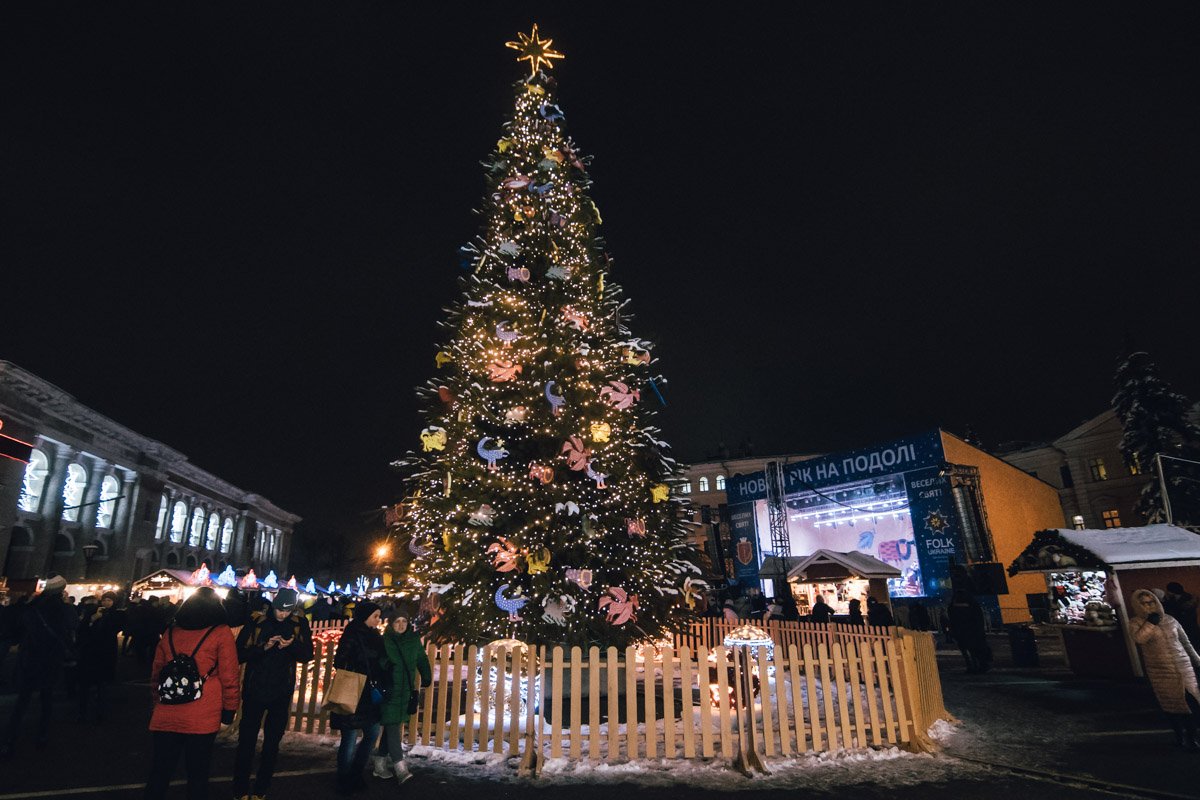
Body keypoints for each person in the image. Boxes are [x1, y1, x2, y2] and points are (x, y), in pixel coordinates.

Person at [144, 586, 240, 800]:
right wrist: (229, 709)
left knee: (160, 772)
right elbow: (229, 675)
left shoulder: (171, 632)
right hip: (203, 713)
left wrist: (157, 699)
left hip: (167, 710)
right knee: (197, 773)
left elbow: (157, 671)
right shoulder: (220, 632)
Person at [232, 587, 313, 800]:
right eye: (279, 610)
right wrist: (263, 648)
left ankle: (261, 790)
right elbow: (238, 653)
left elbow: (307, 655)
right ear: (273, 605)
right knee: (246, 742)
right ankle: (239, 790)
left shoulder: (298, 624)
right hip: (254, 689)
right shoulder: (257, 621)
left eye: (287, 611)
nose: (282, 615)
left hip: (281, 691)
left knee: (271, 744)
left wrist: (291, 645)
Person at [0, 574, 77, 758]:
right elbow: (71, 629)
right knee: (46, 699)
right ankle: (42, 736)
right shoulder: (64, 610)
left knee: (22, 701)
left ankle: (9, 741)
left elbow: (17, 629)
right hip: (50, 659)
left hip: (30, 658)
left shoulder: (32, 607)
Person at [1130, 588, 1200, 749]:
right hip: (1160, 670)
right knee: (1172, 705)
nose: (1149, 606)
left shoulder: (1170, 620)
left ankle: (1193, 737)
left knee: (1191, 702)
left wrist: (1197, 661)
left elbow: (1185, 642)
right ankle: (1179, 736)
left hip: (1183, 666)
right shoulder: (1136, 622)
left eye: (1152, 602)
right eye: (1144, 603)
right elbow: (1139, 639)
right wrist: (1150, 623)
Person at [330, 601, 384, 794]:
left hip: (368, 694)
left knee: (372, 733)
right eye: (375, 616)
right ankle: (344, 779)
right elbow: (340, 660)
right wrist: (362, 663)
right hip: (353, 692)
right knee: (350, 738)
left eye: (379, 616)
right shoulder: (352, 633)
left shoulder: (375, 636)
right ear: (365, 616)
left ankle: (356, 773)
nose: (378, 620)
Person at [373, 608, 431, 784]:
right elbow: (378, 660)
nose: (401, 625)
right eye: (397, 621)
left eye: (404, 621)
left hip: (405, 690)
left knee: (393, 725)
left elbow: (421, 658)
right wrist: (385, 665)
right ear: (391, 623)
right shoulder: (385, 640)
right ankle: (400, 767)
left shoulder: (413, 640)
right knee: (392, 727)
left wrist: (426, 675)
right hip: (390, 690)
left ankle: (379, 764)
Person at [76, 590, 123, 722]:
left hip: (106, 652)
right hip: (91, 651)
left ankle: (99, 713)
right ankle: (82, 711)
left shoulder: (117, 615)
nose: (106, 603)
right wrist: (93, 619)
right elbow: (83, 628)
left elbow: (116, 628)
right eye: (104, 600)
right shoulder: (94, 612)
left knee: (102, 685)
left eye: (109, 600)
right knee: (86, 683)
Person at [946, 590, 991, 673]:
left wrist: (953, 632)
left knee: (966, 650)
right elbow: (978, 619)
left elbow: (952, 620)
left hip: (961, 632)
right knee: (974, 650)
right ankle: (979, 665)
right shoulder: (972, 604)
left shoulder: (953, 606)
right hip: (972, 632)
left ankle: (971, 666)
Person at [1163, 582, 1200, 648]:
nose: (1167, 592)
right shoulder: (1172, 599)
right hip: (1182, 628)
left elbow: (1182, 611)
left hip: (1189, 628)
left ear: (1172, 591)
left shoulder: (1188, 599)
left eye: (1168, 590)